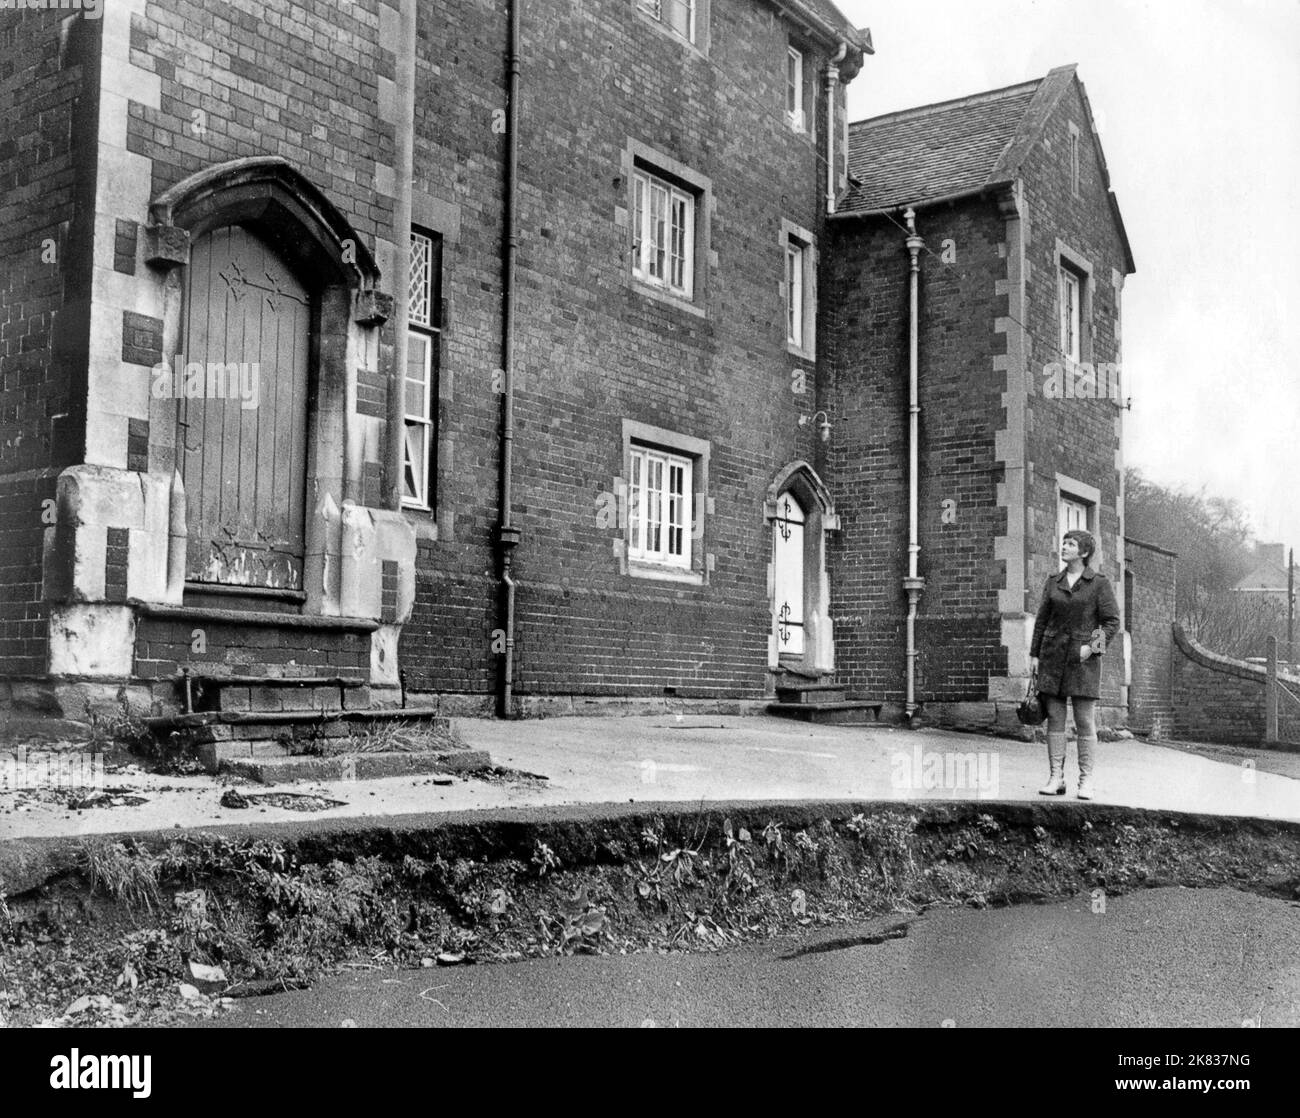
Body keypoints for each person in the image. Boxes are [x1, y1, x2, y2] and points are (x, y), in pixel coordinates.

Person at [1028, 529, 1121, 799]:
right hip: (1052, 657)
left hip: (1083, 661)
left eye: (1071, 544)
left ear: (1084, 553)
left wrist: (1092, 648)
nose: (1065, 547)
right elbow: (1041, 620)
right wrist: (1035, 655)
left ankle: (1085, 781)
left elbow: (1112, 622)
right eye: (1064, 543)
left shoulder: (1098, 583)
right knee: (1055, 719)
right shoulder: (1052, 582)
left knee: (1084, 721)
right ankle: (1056, 777)